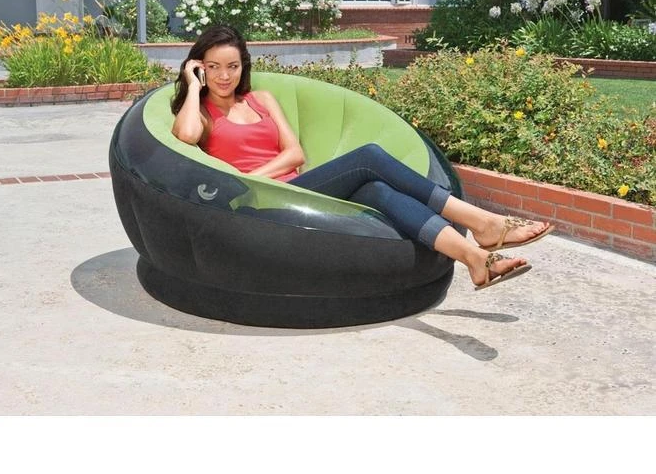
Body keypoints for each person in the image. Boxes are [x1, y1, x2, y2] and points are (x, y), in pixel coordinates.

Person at [170, 25, 554, 290]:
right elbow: (185, 135)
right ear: (201, 67)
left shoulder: (261, 99)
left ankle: (474, 259)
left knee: (378, 191)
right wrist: (191, 84)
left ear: (243, 66)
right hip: (262, 201)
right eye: (213, 67)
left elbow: (296, 153)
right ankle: (483, 223)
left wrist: (262, 171)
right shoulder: (201, 113)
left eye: (232, 66)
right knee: (369, 157)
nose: (224, 76)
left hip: (297, 188)